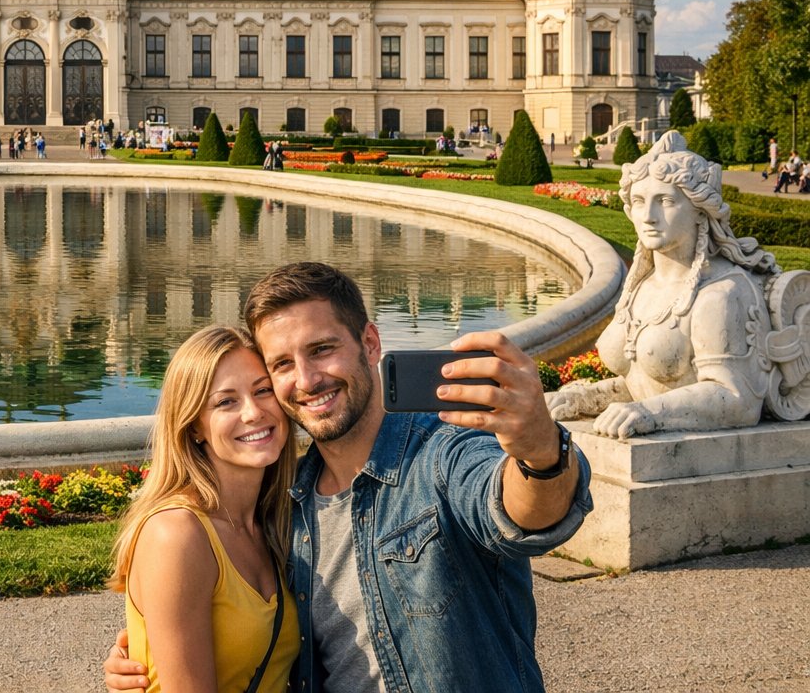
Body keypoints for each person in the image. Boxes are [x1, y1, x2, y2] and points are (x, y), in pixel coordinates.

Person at [108, 261, 590, 693]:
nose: (306, 379)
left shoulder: (440, 450)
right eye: (281, 365)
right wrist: (154, 654)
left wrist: (539, 451)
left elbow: (518, 511)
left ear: (370, 343)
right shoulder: (286, 505)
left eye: (321, 350)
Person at [548, 130, 809, 432]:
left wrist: (650, 413)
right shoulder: (641, 285)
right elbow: (644, 384)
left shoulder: (721, 293)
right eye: (638, 201)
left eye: (665, 201)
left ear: (700, 211)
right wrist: (586, 398)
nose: (648, 216)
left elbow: (737, 399)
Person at [111, 325, 300, 693]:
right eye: (226, 401)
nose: (253, 412)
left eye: (263, 391)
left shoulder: (276, 521)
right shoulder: (177, 535)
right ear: (194, 425)